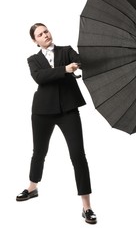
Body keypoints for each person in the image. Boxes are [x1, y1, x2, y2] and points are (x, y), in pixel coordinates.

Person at [16, 23, 97, 224]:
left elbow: (80, 62)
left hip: (68, 109)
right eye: (40, 34)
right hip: (42, 111)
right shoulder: (33, 60)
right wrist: (64, 70)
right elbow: (39, 78)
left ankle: (86, 207)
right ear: (35, 41)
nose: (45, 35)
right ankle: (32, 187)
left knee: (78, 155)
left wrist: (77, 64)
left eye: (46, 31)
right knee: (39, 152)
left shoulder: (66, 50)